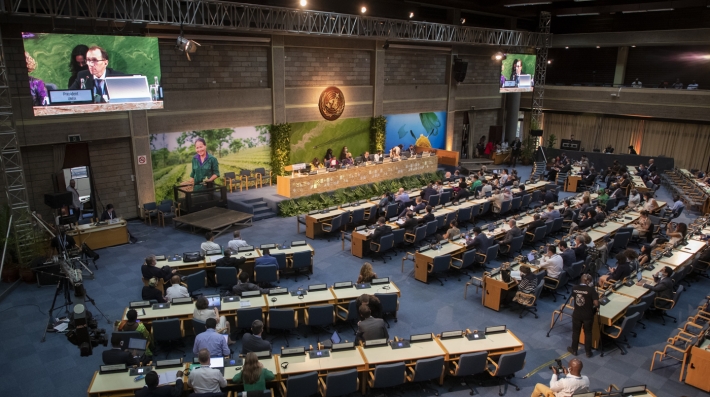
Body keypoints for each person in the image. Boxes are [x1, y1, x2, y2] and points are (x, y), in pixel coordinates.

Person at [569, 274, 599, 358]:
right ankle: (588, 352)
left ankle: (574, 350)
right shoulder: (591, 290)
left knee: (575, 332)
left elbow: (574, 296)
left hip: (577, 314)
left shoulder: (574, 288)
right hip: (588, 315)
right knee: (588, 333)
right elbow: (596, 304)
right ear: (588, 281)